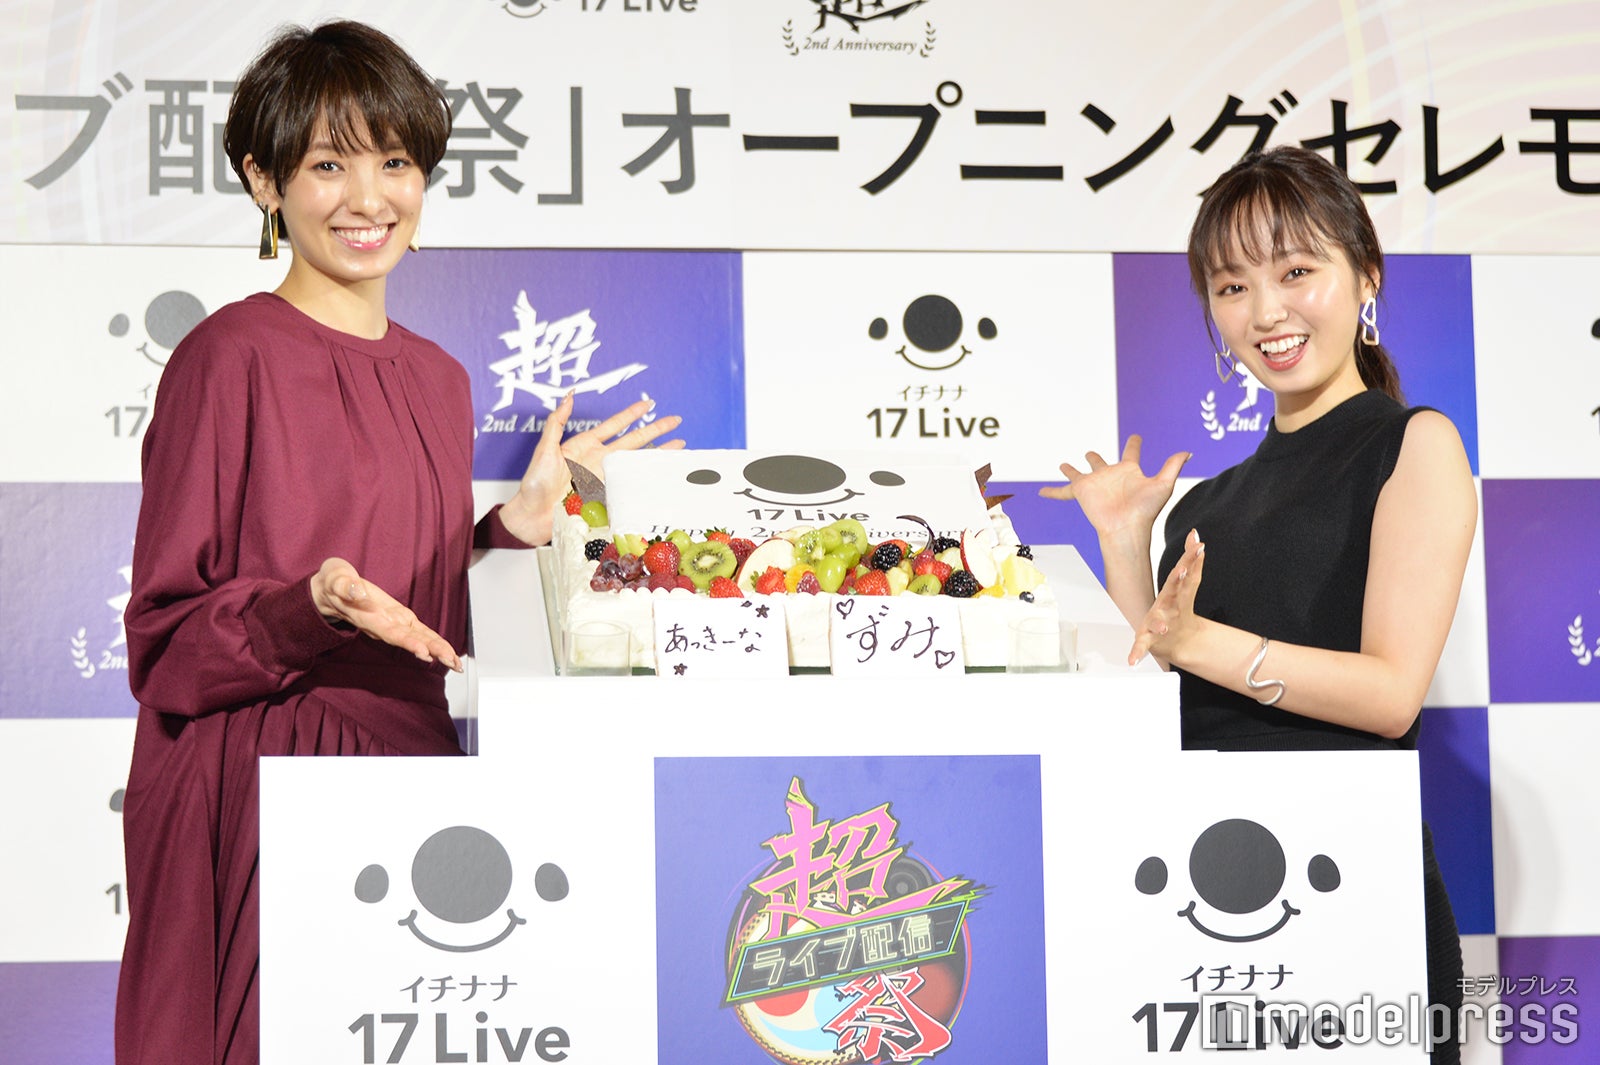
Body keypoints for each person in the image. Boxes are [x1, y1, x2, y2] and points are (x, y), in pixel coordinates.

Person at [115, 21, 683, 1065]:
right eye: (328, 165)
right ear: (264, 181)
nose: (368, 198)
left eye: (394, 162)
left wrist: (512, 529)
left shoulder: (438, 378)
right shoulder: (225, 357)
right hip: (262, 774)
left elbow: (412, 601)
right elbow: (163, 641)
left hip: (409, 767)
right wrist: (307, 605)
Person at [1044, 145, 1475, 1062]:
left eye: (1296, 272)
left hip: (1350, 894)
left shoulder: (1414, 445)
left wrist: (1198, 641)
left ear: (1367, 275)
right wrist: (1125, 542)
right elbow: (1160, 681)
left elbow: (1391, 692)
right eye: (1232, 286)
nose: (1266, 312)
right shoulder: (1205, 502)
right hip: (1203, 907)